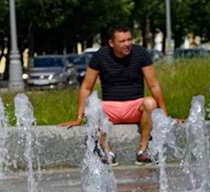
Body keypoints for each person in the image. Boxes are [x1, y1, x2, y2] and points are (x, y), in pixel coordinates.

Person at [59, 24, 178, 165]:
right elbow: (86, 87)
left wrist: (164, 115)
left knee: (150, 103)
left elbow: (154, 85)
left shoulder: (140, 54)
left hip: (134, 107)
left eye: (129, 40)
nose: (127, 44)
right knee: (92, 105)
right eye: (122, 41)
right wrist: (78, 118)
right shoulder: (100, 56)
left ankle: (143, 151)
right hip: (111, 108)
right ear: (111, 43)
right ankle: (107, 152)